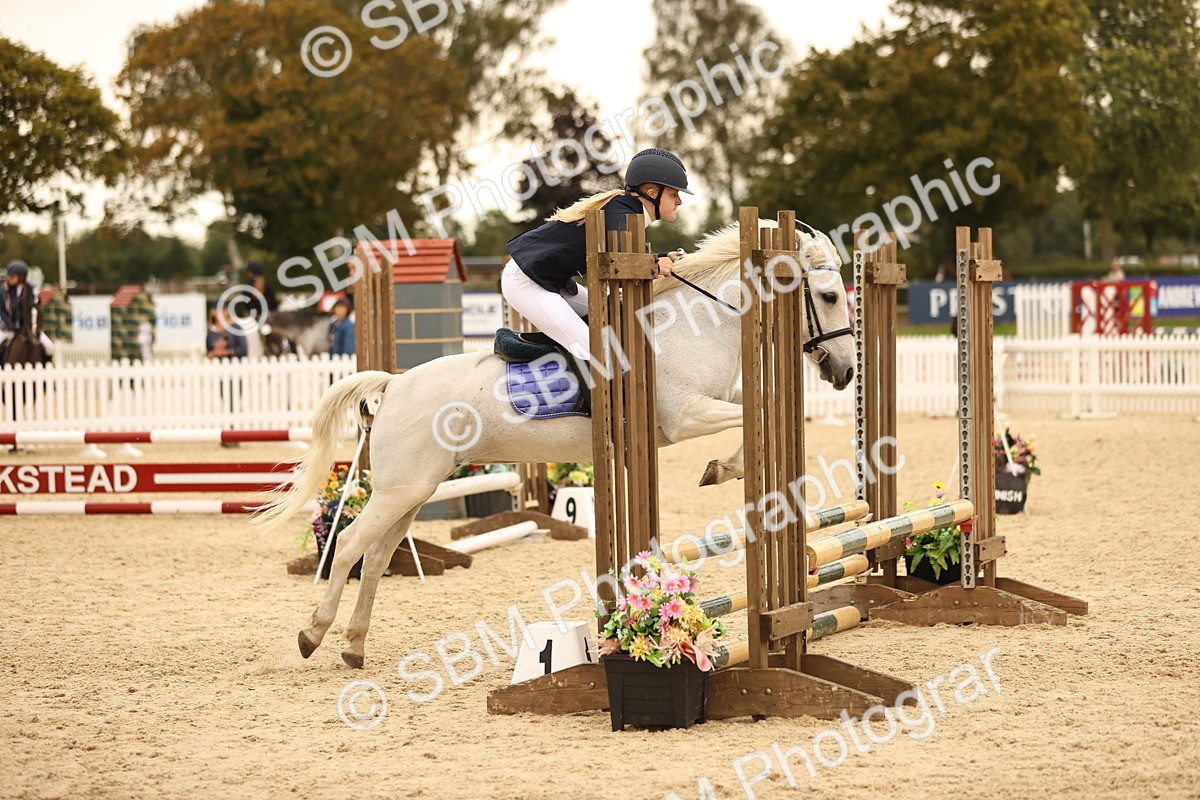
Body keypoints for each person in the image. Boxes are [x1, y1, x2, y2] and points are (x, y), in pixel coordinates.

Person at [499, 148, 692, 363]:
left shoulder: (627, 210)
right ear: (652, 193)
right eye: (674, 194)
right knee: (597, 353)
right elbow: (613, 264)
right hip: (525, 282)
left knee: (608, 320)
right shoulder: (624, 213)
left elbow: (623, 255)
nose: (679, 201)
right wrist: (655, 265)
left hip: (551, 281)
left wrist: (663, 257)